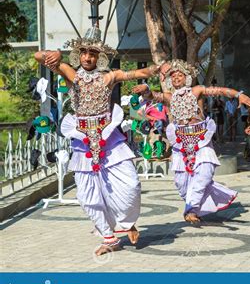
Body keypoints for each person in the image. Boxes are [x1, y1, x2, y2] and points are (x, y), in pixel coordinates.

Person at [34, 24, 167, 256]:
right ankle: (109, 237)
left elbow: (139, 73)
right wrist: (55, 53)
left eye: (92, 53)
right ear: (78, 55)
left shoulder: (109, 77)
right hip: (84, 142)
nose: (87, 57)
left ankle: (126, 223)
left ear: (100, 57)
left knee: (130, 184)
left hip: (109, 139)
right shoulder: (69, 71)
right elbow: (38, 55)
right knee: (87, 195)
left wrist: (159, 69)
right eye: (84, 52)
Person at [133, 59, 250, 224]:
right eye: (173, 76)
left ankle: (191, 210)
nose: (176, 78)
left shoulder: (196, 91)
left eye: (180, 75)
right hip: (180, 142)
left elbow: (219, 90)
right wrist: (145, 89)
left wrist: (238, 95)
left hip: (201, 140)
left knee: (204, 174)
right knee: (181, 183)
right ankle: (195, 205)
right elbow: (152, 96)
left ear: (187, 77)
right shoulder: (168, 96)